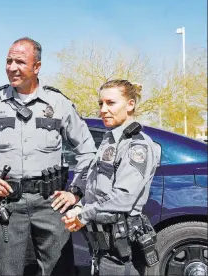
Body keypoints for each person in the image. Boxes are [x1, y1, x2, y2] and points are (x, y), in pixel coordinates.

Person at [0, 37, 97, 276]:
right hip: (9, 204)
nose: (12, 67)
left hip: (52, 203)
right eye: (8, 61)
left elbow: (88, 150)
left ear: (36, 67)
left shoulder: (58, 103)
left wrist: (76, 191)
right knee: (8, 272)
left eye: (20, 61)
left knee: (59, 271)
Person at [62, 79, 162, 276]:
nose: (103, 109)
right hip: (102, 245)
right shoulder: (111, 140)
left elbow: (123, 197)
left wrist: (83, 215)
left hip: (121, 249)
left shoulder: (137, 146)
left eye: (111, 103)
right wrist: (80, 205)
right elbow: (97, 187)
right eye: (101, 103)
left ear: (130, 104)